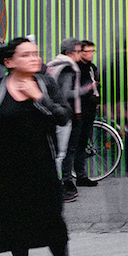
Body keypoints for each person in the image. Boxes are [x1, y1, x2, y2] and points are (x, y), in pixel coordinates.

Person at [0, 37, 91, 256]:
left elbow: (64, 117)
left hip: (41, 166)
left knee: (53, 222)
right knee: (14, 224)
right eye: (26, 55)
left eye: (35, 53)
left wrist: (39, 98)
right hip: (4, 170)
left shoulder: (46, 85)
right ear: (8, 62)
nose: (34, 58)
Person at [44, 37, 83, 201]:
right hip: (63, 115)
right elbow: (66, 93)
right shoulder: (68, 67)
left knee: (56, 152)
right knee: (62, 153)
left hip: (51, 112)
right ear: (69, 52)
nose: (80, 55)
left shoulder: (52, 65)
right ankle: (59, 187)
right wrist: (87, 89)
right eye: (78, 51)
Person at [69, 39, 101, 188]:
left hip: (90, 110)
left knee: (82, 143)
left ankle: (81, 176)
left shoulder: (92, 67)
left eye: (92, 51)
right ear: (80, 52)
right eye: (87, 51)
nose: (91, 54)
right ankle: (75, 176)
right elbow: (76, 90)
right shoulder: (76, 68)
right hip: (79, 110)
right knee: (75, 144)